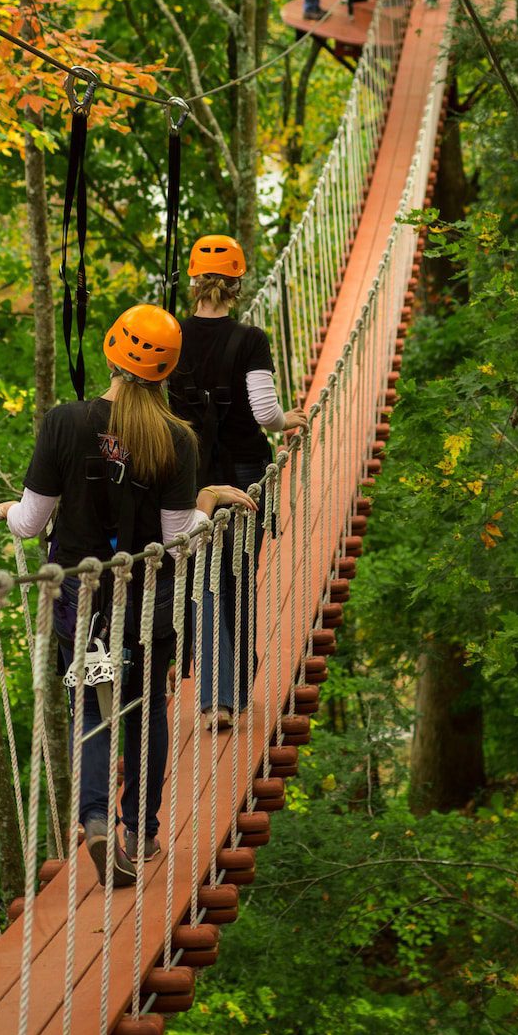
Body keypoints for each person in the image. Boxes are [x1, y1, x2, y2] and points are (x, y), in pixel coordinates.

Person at [0, 304, 254, 887]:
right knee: (145, 708)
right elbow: (177, 547)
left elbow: (28, 524)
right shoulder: (178, 439)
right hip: (148, 597)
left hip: (80, 592)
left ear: (109, 352)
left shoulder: (64, 422)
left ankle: (96, 818)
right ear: (167, 373)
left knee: (91, 704)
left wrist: (6, 510)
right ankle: (140, 830)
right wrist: (206, 502)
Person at [167, 236, 307, 731]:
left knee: (202, 584)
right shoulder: (250, 340)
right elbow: (264, 412)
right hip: (245, 475)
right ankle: (235, 691)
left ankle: (214, 700)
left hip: (192, 478)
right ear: (236, 285)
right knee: (238, 579)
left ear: (193, 282)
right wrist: (286, 419)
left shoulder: (172, 336)